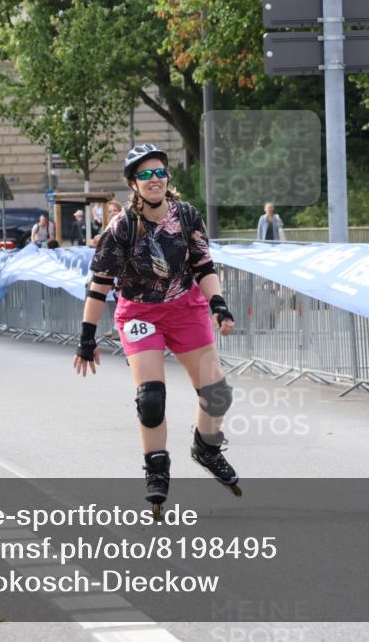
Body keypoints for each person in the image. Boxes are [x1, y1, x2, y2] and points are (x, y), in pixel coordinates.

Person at [73, 143, 240, 516]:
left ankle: (206, 449)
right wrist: (86, 338)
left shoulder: (186, 215)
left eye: (159, 172)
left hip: (185, 308)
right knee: (151, 399)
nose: (154, 180)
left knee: (217, 395)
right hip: (139, 314)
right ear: (133, 183)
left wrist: (219, 305)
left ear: (168, 177)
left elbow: (204, 266)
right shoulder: (122, 227)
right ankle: (157, 471)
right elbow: (100, 285)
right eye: (145, 175)